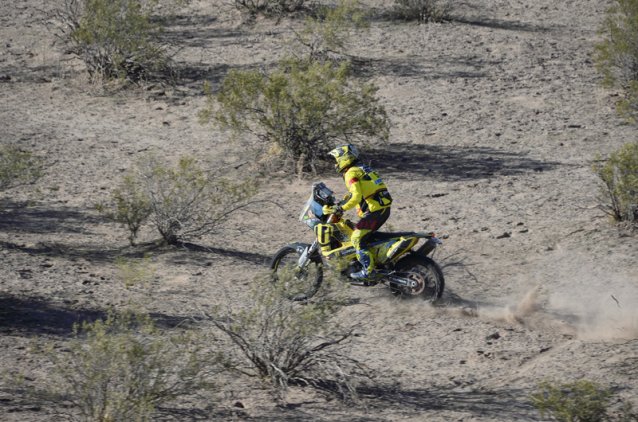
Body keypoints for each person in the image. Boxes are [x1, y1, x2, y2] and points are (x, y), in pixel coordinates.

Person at [322, 144, 393, 279]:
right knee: (363, 235)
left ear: (345, 158)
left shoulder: (351, 173)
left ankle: (368, 270)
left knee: (356, 238)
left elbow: (356, 197)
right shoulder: (362, 168)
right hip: (381, 209)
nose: (335, 164)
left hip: (375, 212)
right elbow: (359, 192)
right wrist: (341, 202)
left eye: (336, 159)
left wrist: (341, 208)